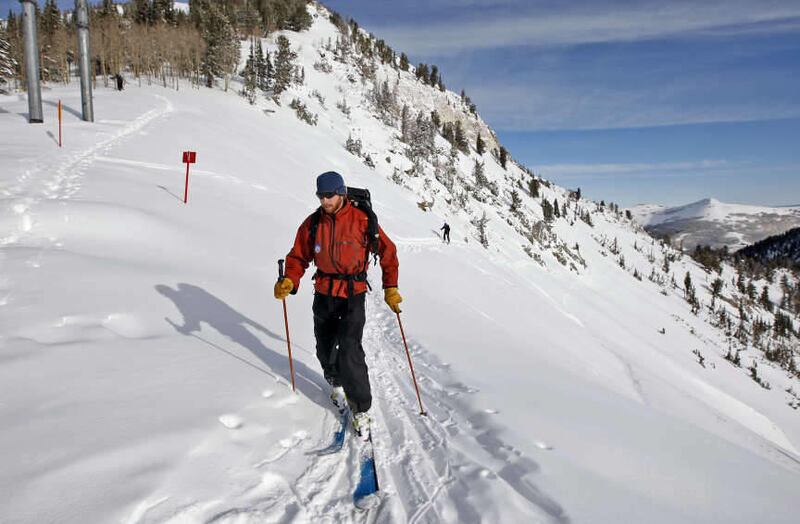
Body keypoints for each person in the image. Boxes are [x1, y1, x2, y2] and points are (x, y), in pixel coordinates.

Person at [274, 171, 402, 441]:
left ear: (341, 193)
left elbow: (388, 253)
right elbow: (298, 256)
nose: (324, 201)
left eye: (329, 195)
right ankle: (336, 384)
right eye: (320, 196)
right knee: (324, 346)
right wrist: (290, 280)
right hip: (324, 293)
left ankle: (361, 409)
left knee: (349, 350)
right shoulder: (313, 223)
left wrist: (391, 287)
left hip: (353, 294)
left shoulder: (363, 220)